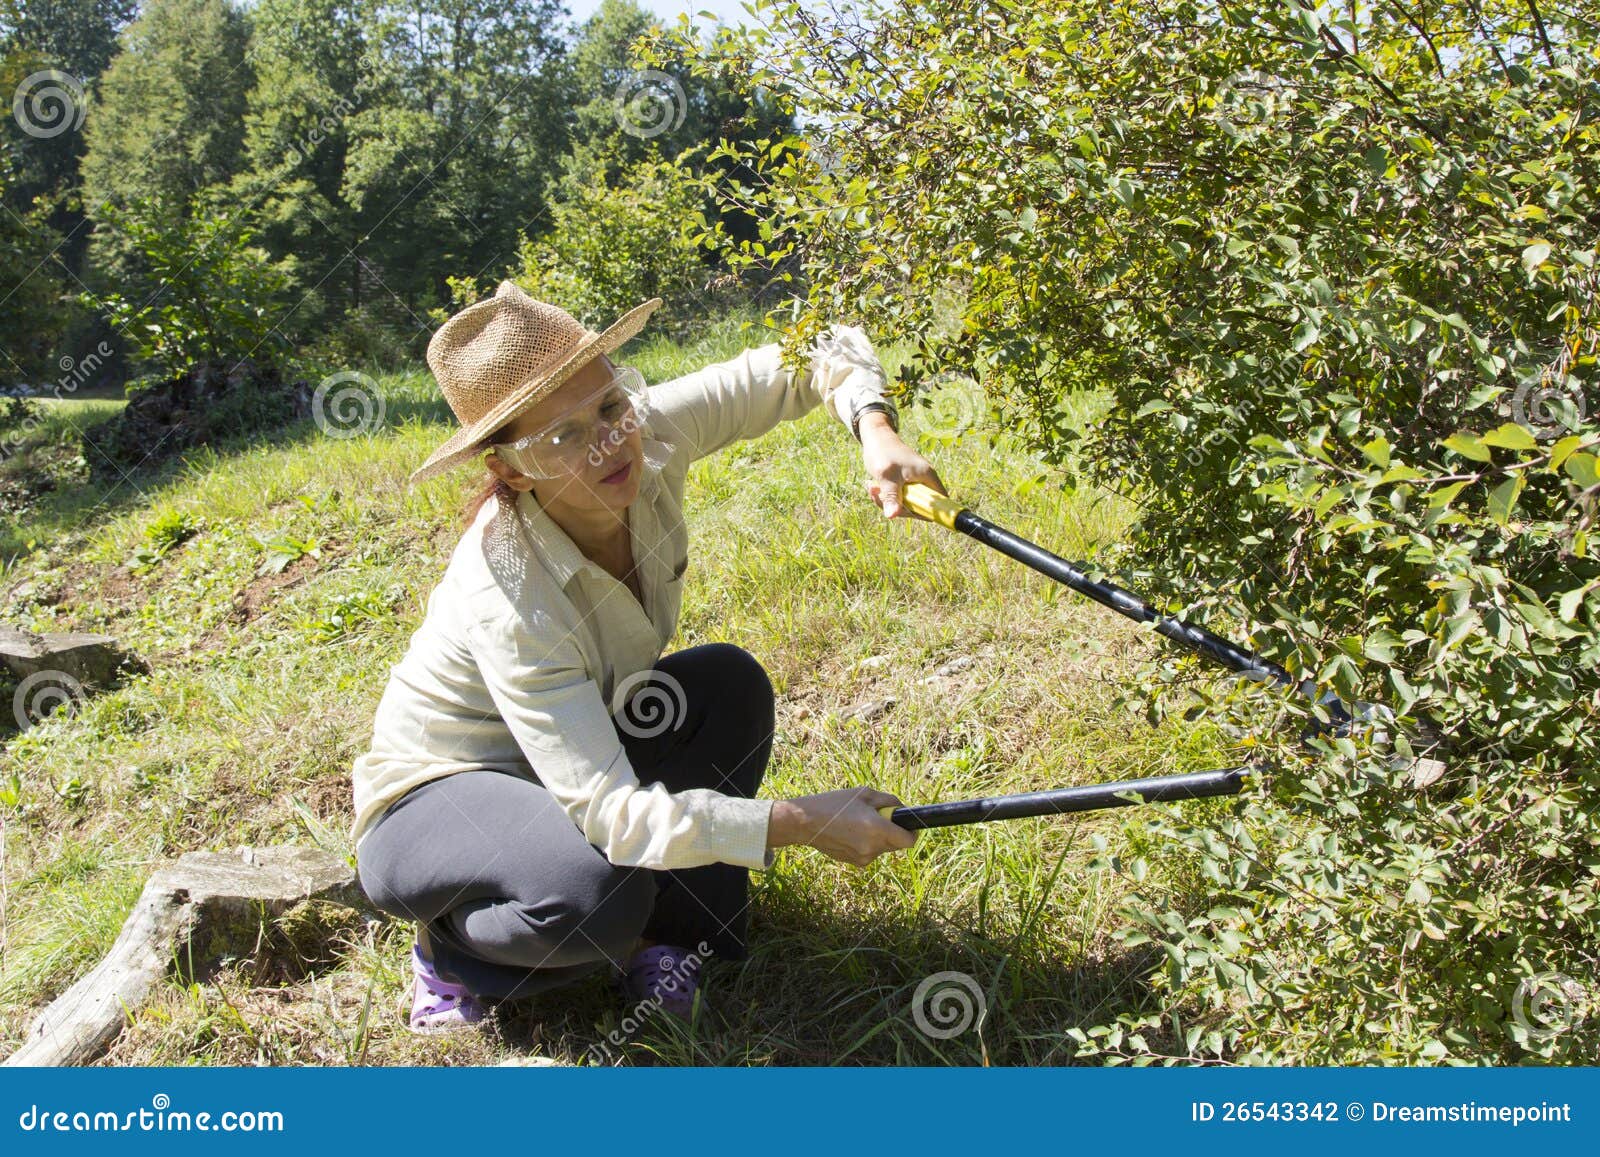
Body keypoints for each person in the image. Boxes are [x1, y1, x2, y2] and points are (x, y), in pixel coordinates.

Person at [350, 281, 946, 1033]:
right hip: (438, 796)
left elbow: (819, 345)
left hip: (566, 748)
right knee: (597, 890)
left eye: (608, 406)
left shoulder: (649, 430)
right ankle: (454, 952)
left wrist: (876, 428)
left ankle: (670, 942)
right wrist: (798, 822)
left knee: (727, 685)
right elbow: (611, 814)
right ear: (509, 470)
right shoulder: (506, 589)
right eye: (560, 436)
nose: (606, 442)